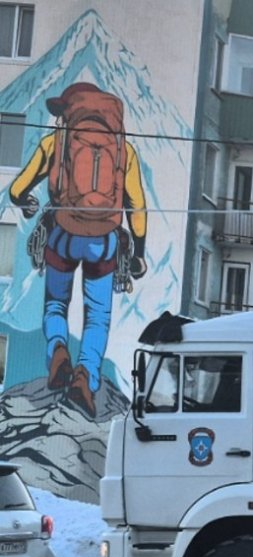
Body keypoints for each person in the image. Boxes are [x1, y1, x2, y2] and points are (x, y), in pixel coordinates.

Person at [8, 82, 148, 418]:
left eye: (60, 113)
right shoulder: (123, 150)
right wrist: (139, 251)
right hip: (104, 241)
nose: (57, 119)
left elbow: (17, 188)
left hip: (62, 235)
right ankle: (86, 377)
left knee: (56, 304)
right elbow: (137, 207)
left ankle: (58, 353)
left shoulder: (55, 143)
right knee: (97, 316)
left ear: (70, 113)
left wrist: (26, 203)